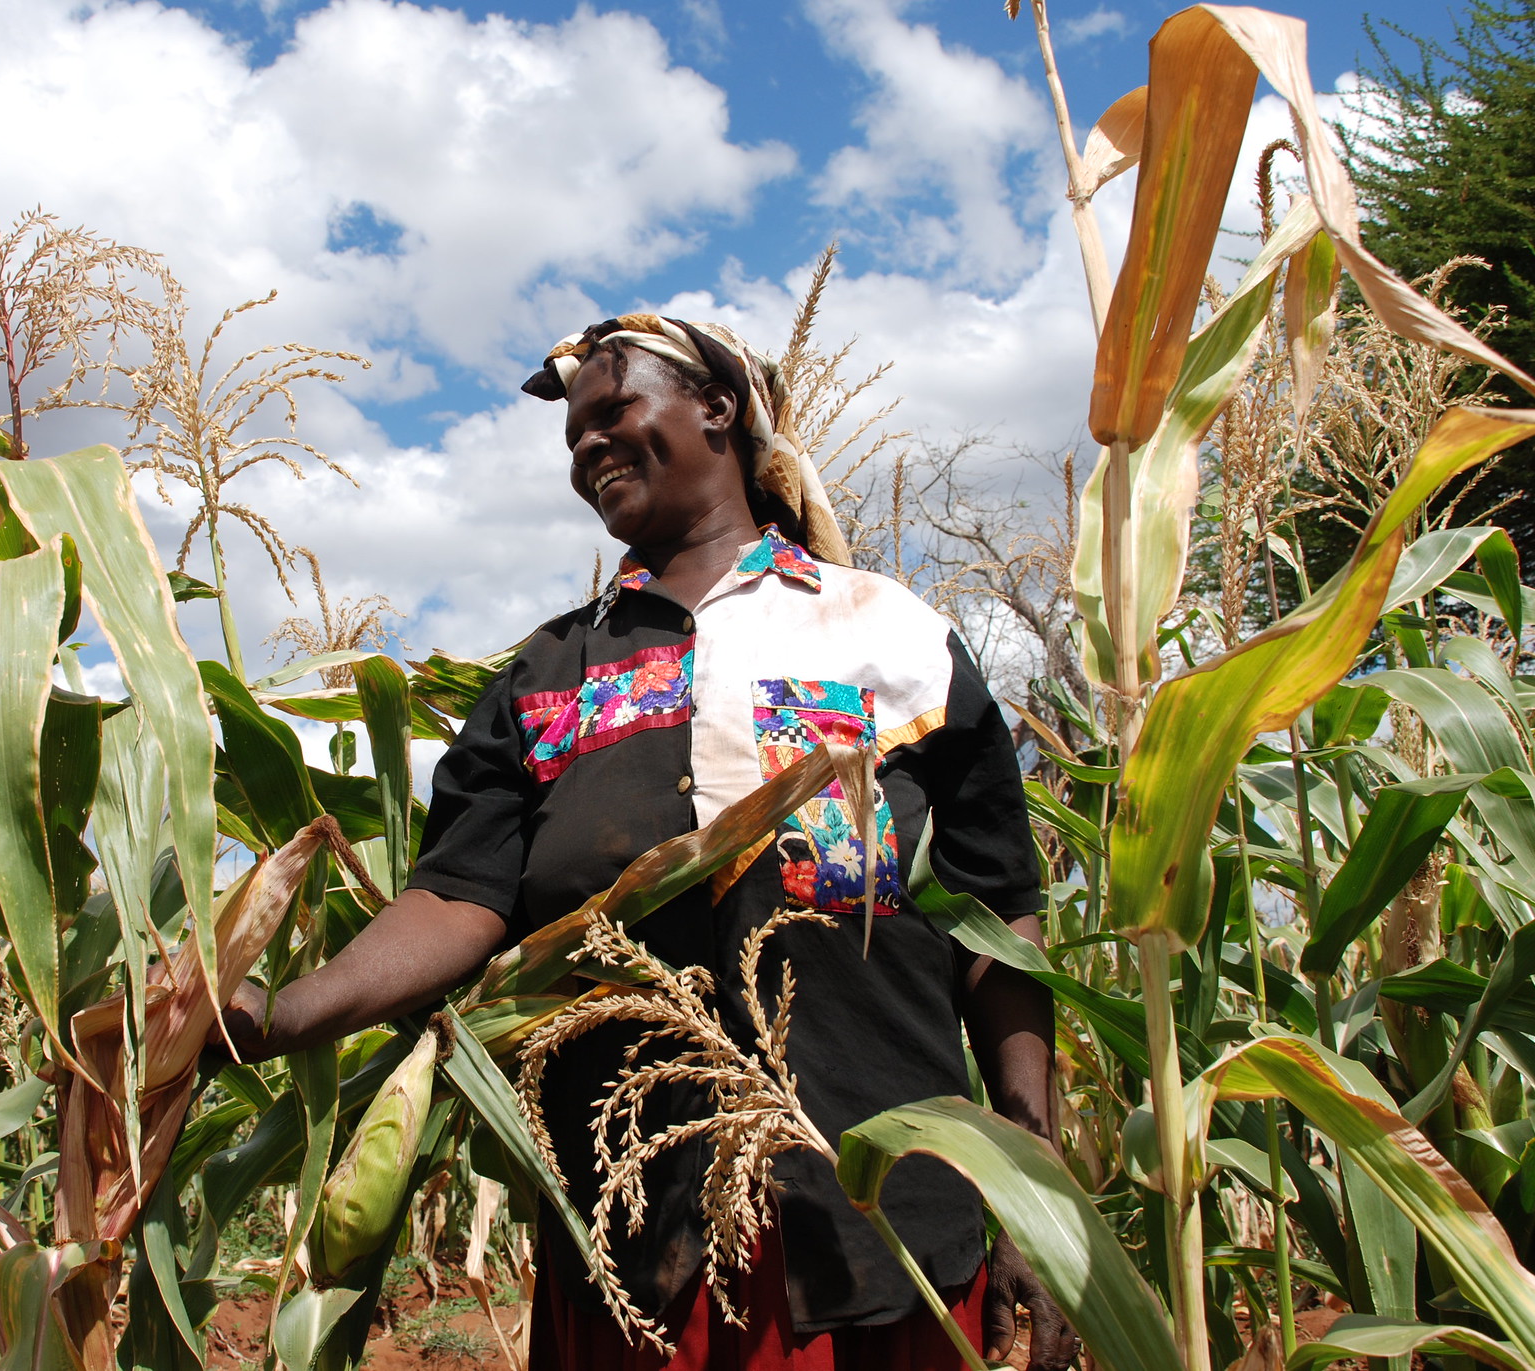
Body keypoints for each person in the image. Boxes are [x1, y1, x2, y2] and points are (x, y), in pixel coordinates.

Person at [216, 315, 1076, 1371]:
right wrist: (281, 1013)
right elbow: (459, 894)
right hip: (632, 1244)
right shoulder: (549, 675)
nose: (585, 448)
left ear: (717, 408)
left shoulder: (884, 633)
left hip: (881, 1227)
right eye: (572, 436)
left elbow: (996, 916)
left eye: (611, 414)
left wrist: (1035, 1177)